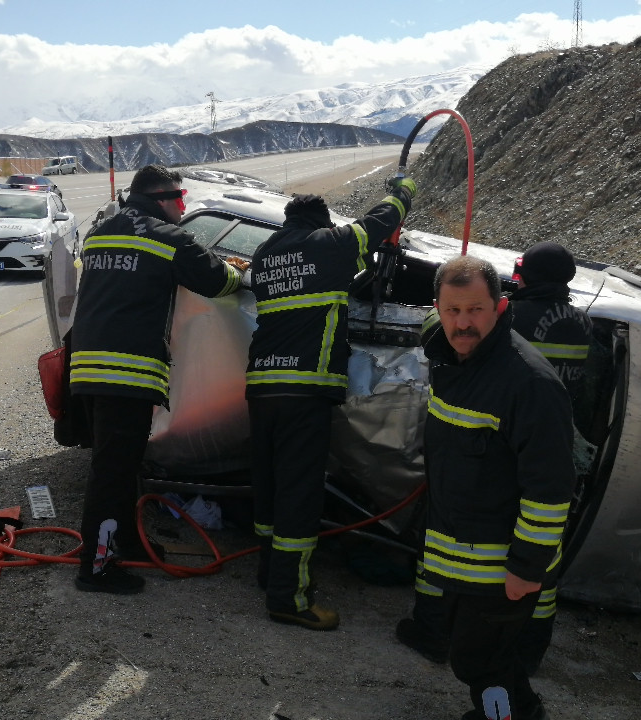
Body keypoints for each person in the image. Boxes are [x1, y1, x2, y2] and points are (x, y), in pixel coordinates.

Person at [398, 241, 592, 675]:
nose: (462, 323)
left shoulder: (526, 379)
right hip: (472, 530)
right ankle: (515, 661)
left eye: (475, 310)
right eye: (451, 311)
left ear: (501, 307)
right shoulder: (578, 322)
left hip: (497, 556)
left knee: (486, 667)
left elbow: (547, 489)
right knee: (489, 651)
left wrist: (525, 567)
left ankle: (502, 674)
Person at [247, 179, 416, 630]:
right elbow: (380, 223)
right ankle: (290, 598)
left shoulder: (265, 254)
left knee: (268, 489)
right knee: (299, 497)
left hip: (263, 386)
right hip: (306, 390)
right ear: (321, 222)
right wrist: (402, 192)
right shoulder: (330, 244)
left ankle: (270, 575)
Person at [70, 164, 245, 594]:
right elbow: (217, 281)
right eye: (180, 200)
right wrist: (239, 270)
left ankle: (124, 544)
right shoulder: (167, 238)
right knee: (112, 472)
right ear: (164, 199)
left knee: (122, 466)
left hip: (88, 366)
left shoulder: (101, 232)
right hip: (126, 372)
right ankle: (97, 567)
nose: (182, 209)